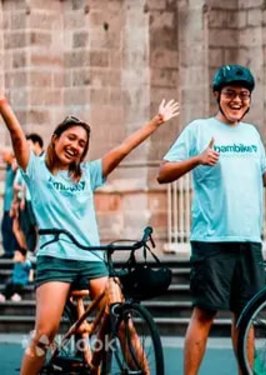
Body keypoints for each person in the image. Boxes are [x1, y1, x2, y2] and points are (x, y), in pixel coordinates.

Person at [0, 93, 181, 374]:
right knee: (45, 334)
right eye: (70, 138)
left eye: (82, 143)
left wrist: (156, 121)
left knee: (122, 321)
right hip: (55, 259)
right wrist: (3, 105)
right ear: (56, 138)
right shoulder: (36, 170)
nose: (75, 146)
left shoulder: (88, 173)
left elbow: (123, 149)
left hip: (92, 258)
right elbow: (16, 135)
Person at [157, 64, 266, 375]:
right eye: (230, 94)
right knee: (204, 312)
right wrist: (197, 159)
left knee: (246, 316)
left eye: (243, 95)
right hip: (212, 240)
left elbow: (263, 177)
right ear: (217, 95)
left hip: (249, 239)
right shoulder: (199, 129)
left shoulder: (251, 133)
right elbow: (162, 172)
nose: (237, 100)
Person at [0, 134, 44, 303]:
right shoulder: (25, 164)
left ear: (36, 144)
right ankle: (14, 286)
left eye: (28, 143)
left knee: (35, 233)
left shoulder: (41, 161)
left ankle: (31, 261)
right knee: (23, 236)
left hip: (35, 204)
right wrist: (16, 204)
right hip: (25, 205)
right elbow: (20, 184)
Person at [1, 148, 16, 258]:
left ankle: (11, 252)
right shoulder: (8, 167)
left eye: (3, 155)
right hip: (6, 206)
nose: (2, 158)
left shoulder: (15, 167)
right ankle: (8, 252)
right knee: (5, 228)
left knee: (10, 229)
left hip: (11, 206)